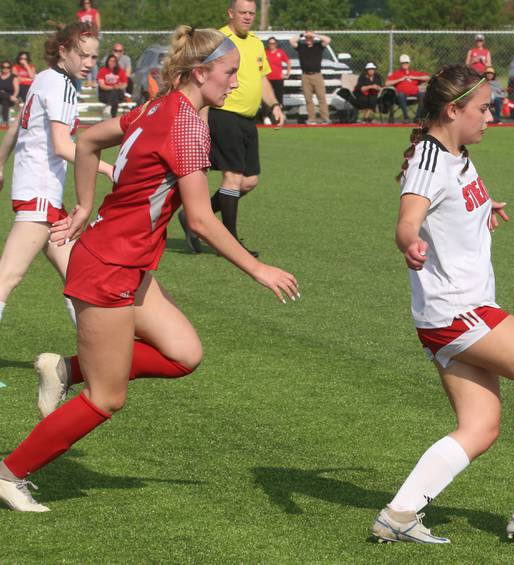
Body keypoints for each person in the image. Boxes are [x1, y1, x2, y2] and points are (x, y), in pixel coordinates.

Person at [0, 25, 300, 513]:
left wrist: (82, 206)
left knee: (184, 354)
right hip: (109, 268)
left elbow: (89, 141)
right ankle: (10, 472)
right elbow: (200, 221)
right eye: (229, 74)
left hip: (126, 263)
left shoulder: (159, 106)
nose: (234, 84)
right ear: (200, 72)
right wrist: (257, 268)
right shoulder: (186, 125)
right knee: (105, 398)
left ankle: (64, 369)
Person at [371, 64, 514, 544]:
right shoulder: (429, 158)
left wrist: (486, 207)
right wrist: (410, 243)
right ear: (452, 110)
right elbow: (408, 219)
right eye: (483, 108)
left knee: (480, 427)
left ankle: (398, 516)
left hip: (448, 314)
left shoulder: (454, 152)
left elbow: (450, 202)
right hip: (460, 311)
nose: (491, 116)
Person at [0, 21, 113, 334]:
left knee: (79, 276)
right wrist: (108, 169)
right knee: (6, 277)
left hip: (39, 193)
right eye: (83, 55)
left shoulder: (44, 78)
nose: (89, 63)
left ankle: (99, 357)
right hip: (39, 194)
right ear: (63, 50)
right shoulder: (61, 85)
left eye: (94, 57)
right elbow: (64, 147)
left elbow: (13, 126)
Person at [178, 0, 285, 256]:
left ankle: (191, 217)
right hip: (223, 114)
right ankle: (229, 243)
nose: (247, 17)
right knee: (233, 178)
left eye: (251, 13)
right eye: (243, 13)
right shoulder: (217, 40)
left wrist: (274, 106)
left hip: (249, 119)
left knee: (249, 181)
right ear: (231, 13)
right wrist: (201, 118)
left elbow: (262, 79)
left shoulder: (257, 43)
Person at [290, 30, 332, 125]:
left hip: (317, 75)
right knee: (308, 99)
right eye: (307, 38)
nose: (308, 39)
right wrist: (303, 34)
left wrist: (315, 34)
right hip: (305, 76)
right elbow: (292, 41)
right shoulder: (301, 46)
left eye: (310, 38)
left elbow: (328, 40)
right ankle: (312, 119)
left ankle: (325, 118)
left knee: (321, 98)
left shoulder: (318, 46)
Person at [386, 54, 430, 123]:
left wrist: (414, 77)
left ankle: (417, 117)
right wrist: (400, 79)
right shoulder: (396, 73)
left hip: (414, 96)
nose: (405, 64)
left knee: (423, 95)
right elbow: (387, 83)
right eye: (403, 63)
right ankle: (406, 117)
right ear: (401, 64)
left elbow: (427, 77)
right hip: (401, 98)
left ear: (409, 63)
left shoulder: (413, 73)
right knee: (400, 95)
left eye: (406, 63)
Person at [264, 36, 291, 107]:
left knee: (278, 97)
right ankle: (268, 114)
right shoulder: (264, 52)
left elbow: (288, 62)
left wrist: (287, 73)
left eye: (273, 43)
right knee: (267, 97)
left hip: (278, 79)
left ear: (276, 44)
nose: (271, 45)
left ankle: (280, 113)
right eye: (270, 43)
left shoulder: (280, 52)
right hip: (267, 79)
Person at [0, 61, 19, 125]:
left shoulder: (13, 77)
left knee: (4, 100)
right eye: (3, 67)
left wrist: (13, 96)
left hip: (10, 99)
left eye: (7, 67)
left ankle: (5, 122)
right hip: (7, 96)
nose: (5, 69)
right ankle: (5, 122)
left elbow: (16, 90)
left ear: (10, 68)